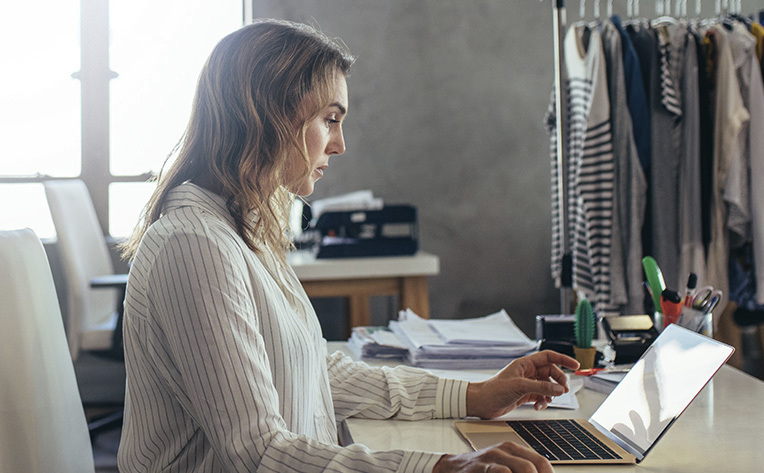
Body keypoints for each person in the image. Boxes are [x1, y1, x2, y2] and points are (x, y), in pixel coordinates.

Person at [118, 19, 579, 473]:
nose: (339, 144)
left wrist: (472, 395)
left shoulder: (241, 230)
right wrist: (441, 467)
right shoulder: (195, 245)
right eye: (330, 119)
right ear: (270, 113)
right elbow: (258, 453)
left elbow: (317, 374)